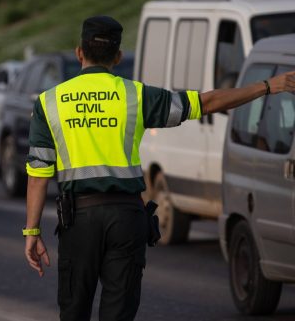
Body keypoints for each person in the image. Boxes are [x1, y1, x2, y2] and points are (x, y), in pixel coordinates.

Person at [24, 16, 295, 321]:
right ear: (117, 57)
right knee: (119, 313)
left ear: (79, 53)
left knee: (73, 311)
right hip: (126, 220)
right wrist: (269, 85)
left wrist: (32, 232)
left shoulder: (49, 103)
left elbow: (38, 177)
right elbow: (207, 102)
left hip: (79, 221)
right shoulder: (137, 96)